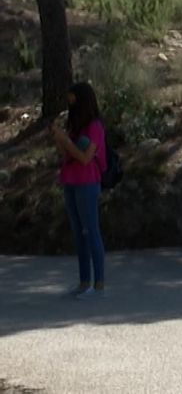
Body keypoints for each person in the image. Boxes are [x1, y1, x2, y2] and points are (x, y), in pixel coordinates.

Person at [51, 81, 107, 300]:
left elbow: (85, 158)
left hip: (87, 182)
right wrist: (60, 140)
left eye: (73, 99)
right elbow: (67, 155)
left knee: (90, 230)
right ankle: (84, 282)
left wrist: (66, 140)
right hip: (70, 181)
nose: (70, 104)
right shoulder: (76, 126)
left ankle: (99, 283)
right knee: (78, 233)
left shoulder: (95, 127)